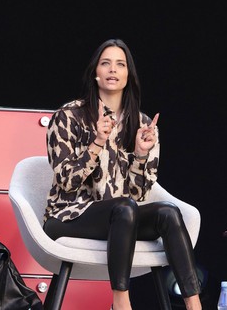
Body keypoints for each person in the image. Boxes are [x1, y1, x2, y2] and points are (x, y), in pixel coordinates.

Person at [43, 39, 202, 310]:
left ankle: (194, 304)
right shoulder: (68, 116)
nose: (112, 70)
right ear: (96, 73)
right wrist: (96, 143)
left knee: (167, 213)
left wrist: (141, 153)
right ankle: (121, 303)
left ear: (128, 76)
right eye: (106, 63)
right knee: (124, 208)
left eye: (120, 64)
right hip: (68, 215)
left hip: (121, 217)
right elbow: (66, 182)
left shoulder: (141, 124)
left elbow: (139, 195)